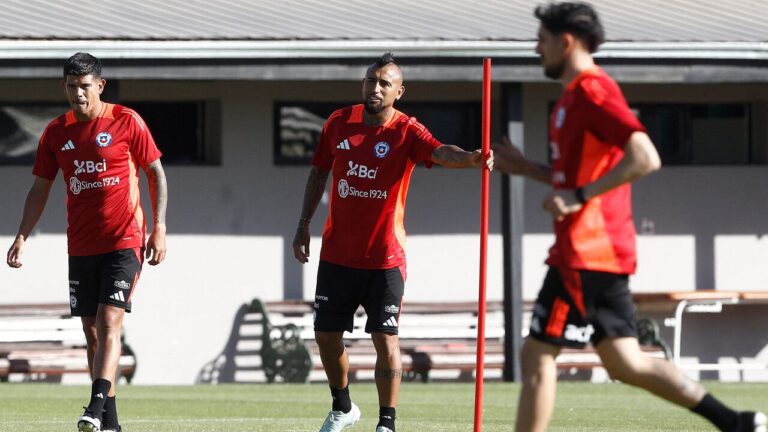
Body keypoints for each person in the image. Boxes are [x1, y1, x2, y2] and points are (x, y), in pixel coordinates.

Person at [492, 3, 767, 432]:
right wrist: (528, 168)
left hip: (586, 252)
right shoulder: (569, 100)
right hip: (590, 253)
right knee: (626, 363)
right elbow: (575, 180)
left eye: (542, 41)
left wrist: (580, 197)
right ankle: (735, 421)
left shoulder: (593, 92)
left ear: (567, 42)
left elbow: (645, 156)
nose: (536, 49)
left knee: (537, 354)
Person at [292, 52, 493, 432]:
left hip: (385, 258)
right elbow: (318, 172)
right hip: (337, 254)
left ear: (398, 92)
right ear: (363, 85)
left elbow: (440, 151)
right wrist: (303, 224)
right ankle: (343, 407)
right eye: (371, 81)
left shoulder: (406, 131)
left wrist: (471, 158)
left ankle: (387, 423)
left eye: (385, 83)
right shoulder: (338, 122)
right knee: (326, 336)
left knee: (385, 339)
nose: (376, 88)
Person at [6, 52, 167, 432]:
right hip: (80, 246)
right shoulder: (55, 132)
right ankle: (109, 423)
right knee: (91, 331)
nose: (79, 93)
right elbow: (39, 190)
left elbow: (155, 173)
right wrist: (21, 235)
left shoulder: (127, 121)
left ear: (100, 85)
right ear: (62, 86)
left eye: (85, 86)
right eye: (72, 86)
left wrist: (159, 228)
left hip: (124, 240)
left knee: (111, 320)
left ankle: (94, 406)